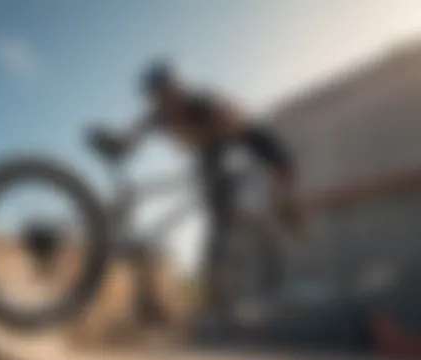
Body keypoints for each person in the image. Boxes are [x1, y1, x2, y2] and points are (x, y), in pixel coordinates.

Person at [92, 59, 303, 320]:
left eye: (167, 97)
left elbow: (245, 129)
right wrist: (115, 145)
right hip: (205, 153)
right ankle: (196, 289)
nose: (164, 105)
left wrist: (276, 170)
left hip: (233, 140)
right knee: (211, 203)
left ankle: (223, 280)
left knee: (225, 204)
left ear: (177, 90)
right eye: (157, 99)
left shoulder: (201, 104)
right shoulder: (156, 116)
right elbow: (132, 138)